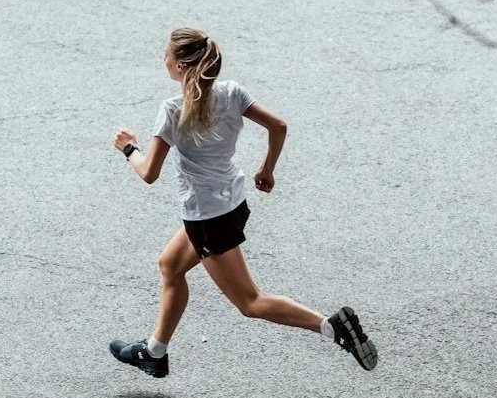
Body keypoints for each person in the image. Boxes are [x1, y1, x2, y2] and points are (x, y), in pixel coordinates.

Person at [108, 27, 378, 379]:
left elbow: (148, 173)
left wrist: (129, 147)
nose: (164, 59)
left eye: (166, 56)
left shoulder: (173, 110)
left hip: (208, 218)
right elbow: (278, 126)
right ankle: (154, 352)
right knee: (171, 266)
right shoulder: (232, 93)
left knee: (250, 302)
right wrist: (267, 168)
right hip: (233, 203)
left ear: (178, 67)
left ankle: (332, 326)